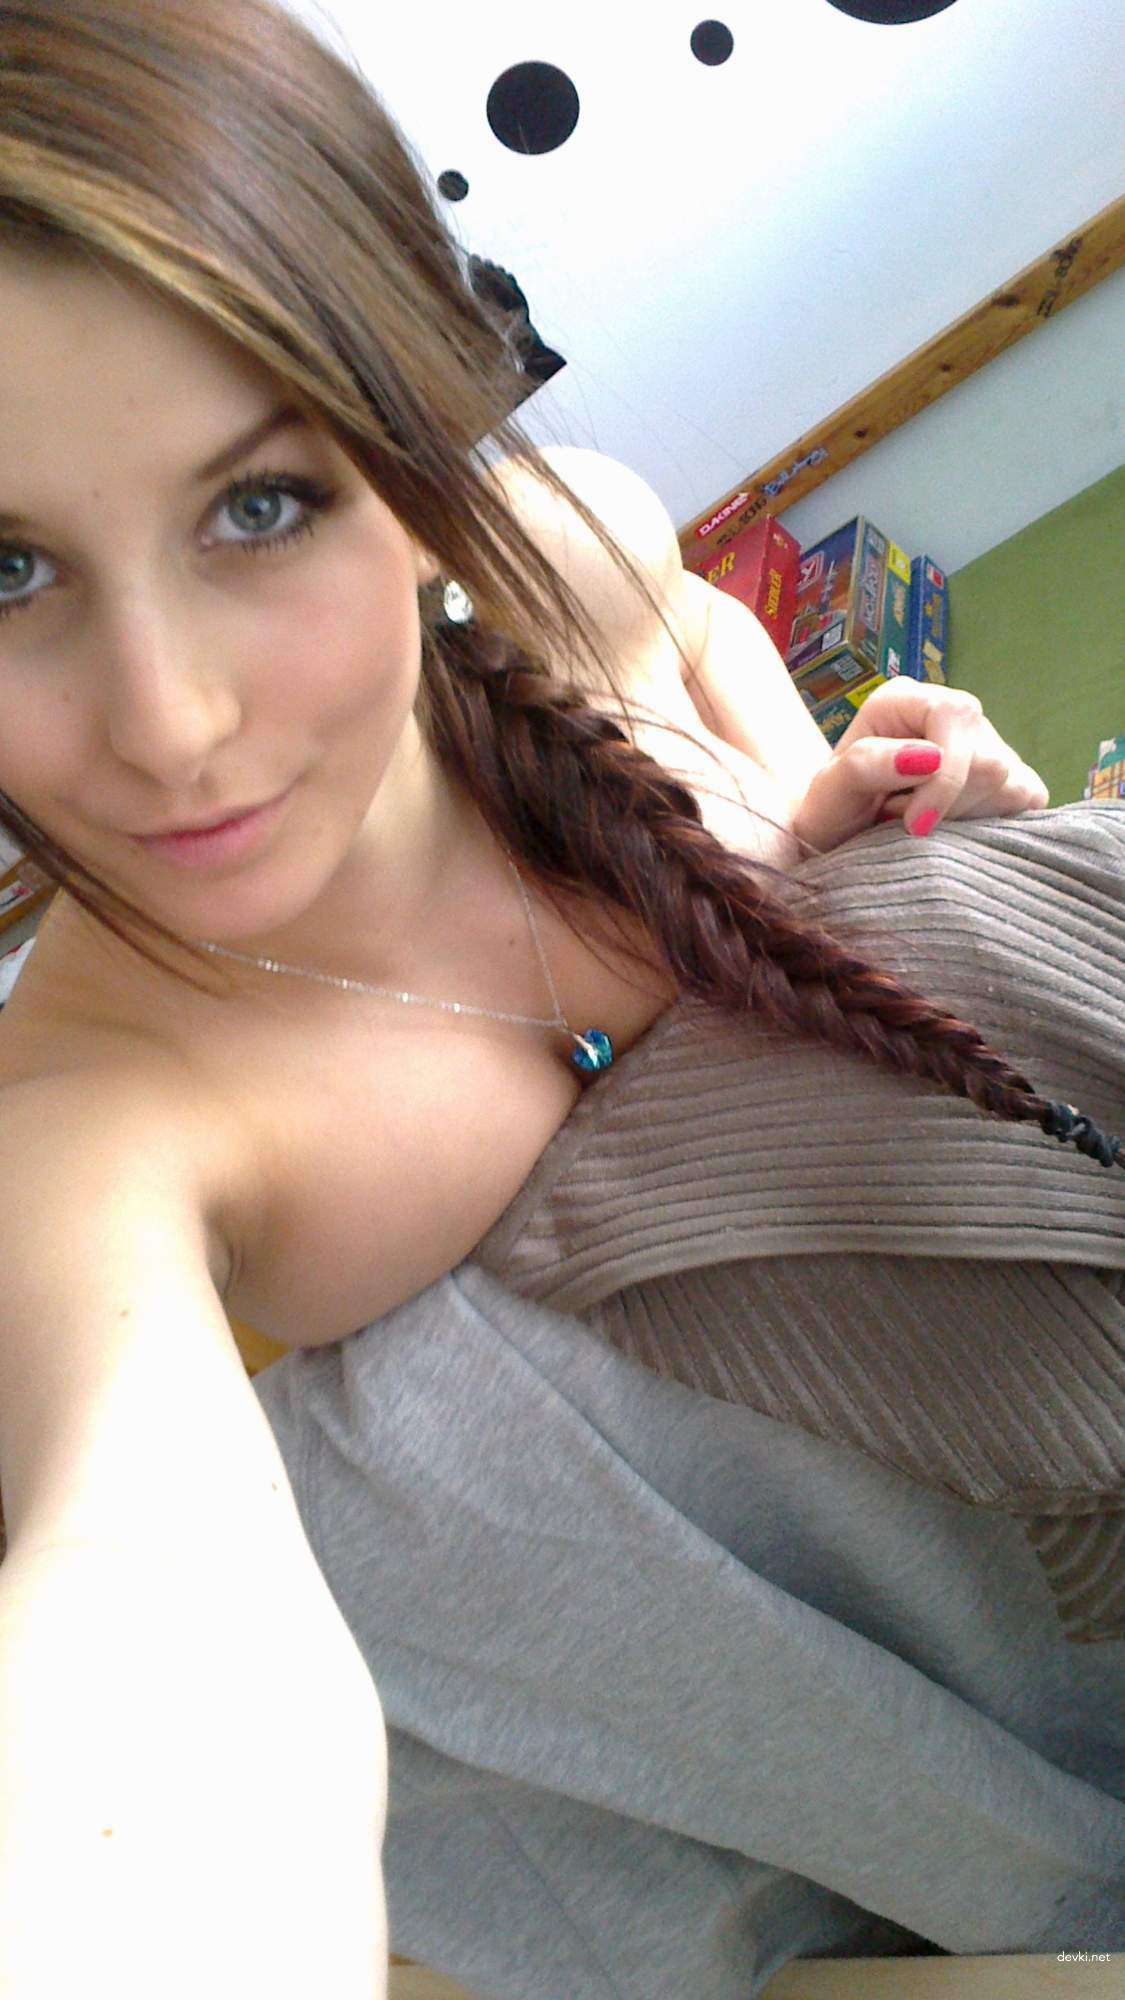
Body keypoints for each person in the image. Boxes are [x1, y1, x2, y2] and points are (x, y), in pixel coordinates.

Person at [0, 3, 1121, 1996]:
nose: (170, 726)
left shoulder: (573, 545)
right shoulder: (89, 1110)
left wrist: (844, 813)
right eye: (4, 574)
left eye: (257, 505)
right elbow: (136, 1578)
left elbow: (701, 648)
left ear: (406, 448)